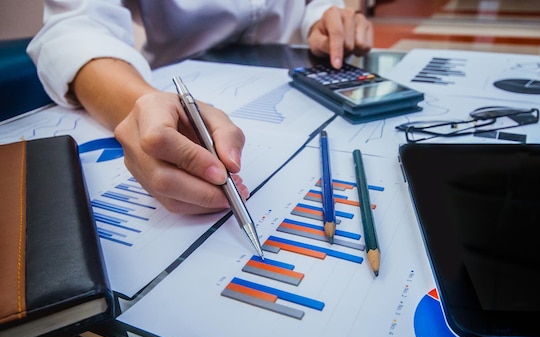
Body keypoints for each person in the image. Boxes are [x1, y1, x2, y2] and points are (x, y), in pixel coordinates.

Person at [27, 1, 373, 214]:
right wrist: (143, 104)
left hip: (291, 77)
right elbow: (74, 29)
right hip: (176, 83)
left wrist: (321, 18)